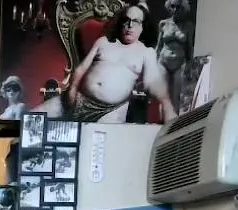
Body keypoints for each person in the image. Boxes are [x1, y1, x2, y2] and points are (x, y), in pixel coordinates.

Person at [41, 2, 178, 123]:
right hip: (79, 99)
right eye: (126, 20)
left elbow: (152, 81)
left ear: (143, 27)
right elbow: (82, 68)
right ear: (121, 23)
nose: (130, 25)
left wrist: (166, 103)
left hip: (111, 111)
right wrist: (72, 89)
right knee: (34, 117)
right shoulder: (103, 42)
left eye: (136, 21)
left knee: (98, 138)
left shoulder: (146, 52)